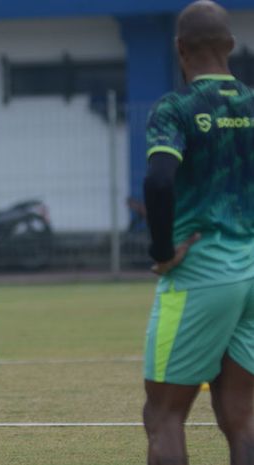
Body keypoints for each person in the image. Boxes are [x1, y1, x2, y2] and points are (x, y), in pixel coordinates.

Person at [142, 1, 254, 464]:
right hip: (251, 270)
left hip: (199, 273)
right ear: (230, 45)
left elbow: (159, 179)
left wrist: (163, 250)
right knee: (242, 415)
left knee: (164, 415)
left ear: (179, 48)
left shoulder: (176, 107)